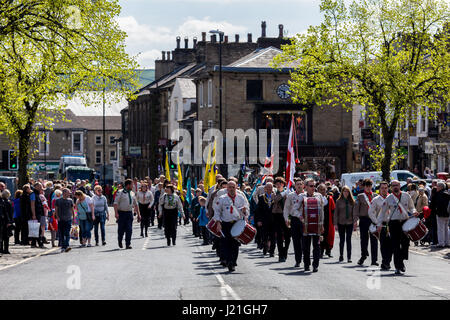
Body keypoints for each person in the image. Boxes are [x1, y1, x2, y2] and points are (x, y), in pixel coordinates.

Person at [378, 180, 419, 275]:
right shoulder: (389, 198)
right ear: (391, 187)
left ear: (400, 186)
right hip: (394, 223)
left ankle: (401, 261)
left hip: (405, 222)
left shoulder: (406, 195)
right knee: (395, 245)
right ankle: (398, 266)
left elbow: (411, 207)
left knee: (405, 244)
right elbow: (382, 212)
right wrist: (379, 224)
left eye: (396, 185)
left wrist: (414, 212)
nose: (395, 187)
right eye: (393, 186)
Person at [212, 181, 250, 272]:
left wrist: (245, 211)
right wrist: (218, 222)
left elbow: (247, 209)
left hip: (237, 223)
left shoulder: (241, 198)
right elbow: (217, 211)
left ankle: (233, 262)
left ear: (236, 187)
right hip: (226, 223)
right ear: (227, 188)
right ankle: (228, 261)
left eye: (233, 187)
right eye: (229, 187)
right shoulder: (222, 198)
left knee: (235, 244)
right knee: (226, 243)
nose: (231, 189)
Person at [293, 178, 325, 272]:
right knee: (306, 247)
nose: (313, 188)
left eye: (314, 186)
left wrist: (322, 224)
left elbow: (322, 211)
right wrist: (300, 217)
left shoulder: (319, 196)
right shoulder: (301, 196)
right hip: (306, 225)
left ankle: (315, 265)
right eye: (311, 186)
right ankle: (306, 264)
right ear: (305, 187)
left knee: (317, 246)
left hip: (316, 225)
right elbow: (294, 209)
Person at [354, 178, 378, 266]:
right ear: (364, 187)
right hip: (364, 219)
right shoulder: (360, 196)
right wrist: (355, 220)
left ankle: (374, 260)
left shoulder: (375, 196)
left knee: (374, 240)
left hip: (373, 220)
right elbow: (356, 209)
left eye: (370, 186)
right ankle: (363, 255)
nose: (368, 188)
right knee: (364, 240)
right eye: (366, 186)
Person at [283, 179, 305, 268]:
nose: (299, 186)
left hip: (304, 220)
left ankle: (306, 259)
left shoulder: (306, 195)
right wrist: (286, 219)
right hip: (295, 220)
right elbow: (286, 208)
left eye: (301, 184)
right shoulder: (291, 196)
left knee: (304, 241)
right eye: (297, 184)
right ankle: (298, 260)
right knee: (296, 241)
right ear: (295, 186)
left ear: (303, 185)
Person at [371, 182, 392, 270]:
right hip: (381, 224)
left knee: (391, 244)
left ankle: (387, 261)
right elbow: (370, 212)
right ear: (379, 189)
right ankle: (385, 261)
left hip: (391, 224)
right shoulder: (376, 200)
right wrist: (376, 222)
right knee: (383, 244)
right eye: (382, 188)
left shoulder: (392, 198)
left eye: (386, 188)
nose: (384, 189)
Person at [114, 179, 140, 249]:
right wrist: (116, 213)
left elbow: (136, 204)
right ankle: (120, 240)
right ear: (128, 185)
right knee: (121, 229)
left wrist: (138, 214)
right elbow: (115, 203)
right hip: (121, 213)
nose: (133, 186)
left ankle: (128, 244)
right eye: (132, 184)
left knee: (129, 229)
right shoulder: (120, 192)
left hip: (129, 213)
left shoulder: (132, 193)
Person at [334, 186, 357, 263]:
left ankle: (349, 257)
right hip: (341, 222)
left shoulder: (352, 201)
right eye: (344, 191)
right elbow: (336, 213)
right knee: (342, 240)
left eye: (347, 191)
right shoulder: (338, 201)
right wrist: (335, 224)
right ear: (342, 192)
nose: (346, 193)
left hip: (349, 222)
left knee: (348, 240)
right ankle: (341, 255)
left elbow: (354, 213)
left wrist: (355, 222)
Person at [255, 183, 276, 257]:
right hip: (264, 220)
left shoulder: (275, 196)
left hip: (273, 220)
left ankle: (272, 251)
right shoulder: (261, 197)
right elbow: (258, 210)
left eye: (271, 187)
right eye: (268, 188)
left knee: (273, 236)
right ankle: (265, 248)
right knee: (264, 235)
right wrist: (259, 220)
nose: (270, 189)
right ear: (265, 189)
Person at [272, 177, 290, 262]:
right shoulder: (274, 192)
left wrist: (287, 193)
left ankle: (285, 251)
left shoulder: (288, 192)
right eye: (277, 184)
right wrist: (283, 193)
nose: (278, 185)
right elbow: (275, 199)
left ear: (283, 184)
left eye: (280, 184)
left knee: (287, 236)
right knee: (279, 236)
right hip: (277, 215)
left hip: (286, 215)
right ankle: (280, 254)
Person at [318, 183, 336, 258]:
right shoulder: (316, 198)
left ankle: (328, 251)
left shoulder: (330, 198)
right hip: (319, 220)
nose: (323, 191)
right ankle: (320, 251)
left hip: (328, 220)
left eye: (324, 189)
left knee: (329, 236)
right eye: (321, 190)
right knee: (320, 235)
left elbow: (333, 210)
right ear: (318, 190)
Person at [54, 188, 75, 253]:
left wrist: (74, 218)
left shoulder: (70, 200)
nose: (69, 193)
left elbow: (72, 209)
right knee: (62, 233)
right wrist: (57, 217)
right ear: (64, 193)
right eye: (68, 192)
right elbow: (56, 209)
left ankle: (66, 245)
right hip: (61, 219)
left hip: (68, 219)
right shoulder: (58, 201)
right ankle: (63, 246)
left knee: (67, 232)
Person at [430, 182, 450, 248]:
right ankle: (447, 242)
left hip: (440, 213)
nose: (437, 188)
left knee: (441, 229)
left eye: (438, 186)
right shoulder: (448, 193)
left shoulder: (438, 194)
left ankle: (441, 243)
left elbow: (433, 205)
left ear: (441, 187)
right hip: (448, 214)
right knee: (446, 228)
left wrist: (434, 211)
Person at [30, 182, 46, 248]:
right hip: (36, 213)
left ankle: (33, 243)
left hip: (39, 213)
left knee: (35, 228)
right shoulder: (33, 194)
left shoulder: (37, 194)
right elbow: (32, 205)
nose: (41, 188)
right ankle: (40, 243)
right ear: (35, 187)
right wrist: (34, 215)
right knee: (38, 228)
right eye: (39, 186)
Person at [0, 190, 13, 254]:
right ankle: (6, 249)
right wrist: (10, 221)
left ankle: (1, 249)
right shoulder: (7, 202)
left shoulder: (2, 202)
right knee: (6, 236)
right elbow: (9, 213)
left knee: (2, 236)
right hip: (6, 220)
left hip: (3, 220)